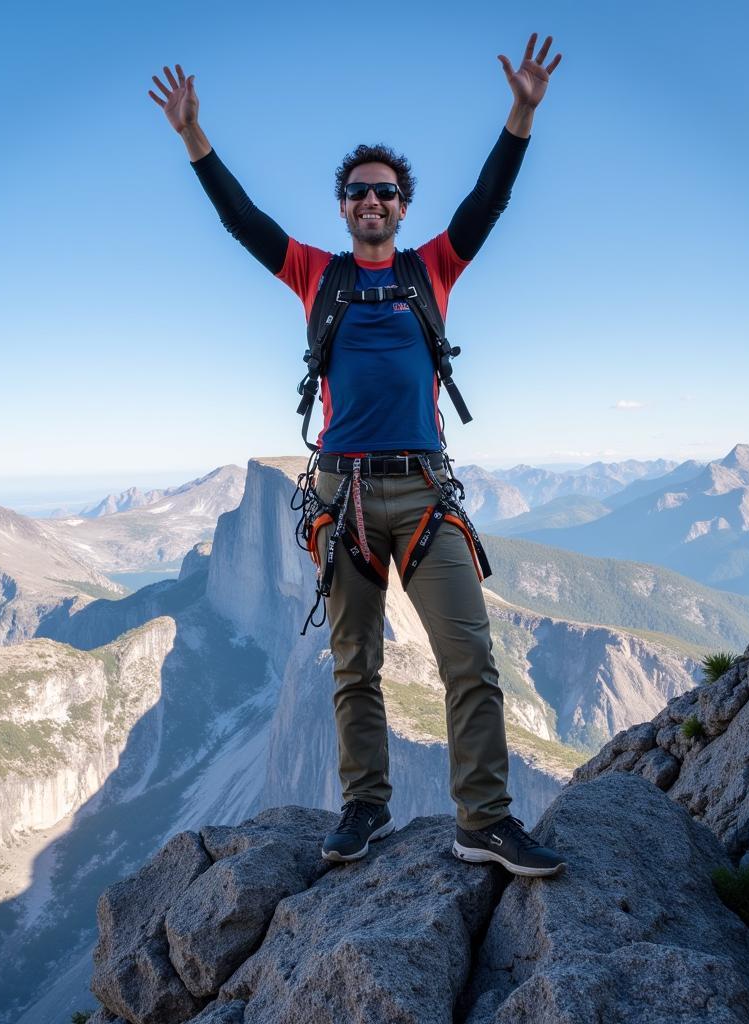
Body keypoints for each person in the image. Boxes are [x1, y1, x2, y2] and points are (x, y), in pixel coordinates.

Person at [149, 35, 567, 877]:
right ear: (343, 207)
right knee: (354, 668)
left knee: (472, 663)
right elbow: (243, 222)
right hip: (342, 500)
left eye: (384, 192)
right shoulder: (316, 274)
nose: (371, 201)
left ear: (402, 207)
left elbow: (489, 201)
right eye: (357, 192)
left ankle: (483, 820)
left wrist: (520, 116)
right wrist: (196, 140)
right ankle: (365, 808)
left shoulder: (433, 268)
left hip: (421, 495)